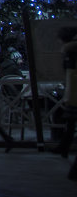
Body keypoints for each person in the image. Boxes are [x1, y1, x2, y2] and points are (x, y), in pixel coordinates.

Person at [55, 26, 76, 159]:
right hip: (72, 93)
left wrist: (67, 95)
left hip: (73, 94)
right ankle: (63, 148)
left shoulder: (70, 52)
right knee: (70, 123)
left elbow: (71, 76)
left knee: (70, 123)